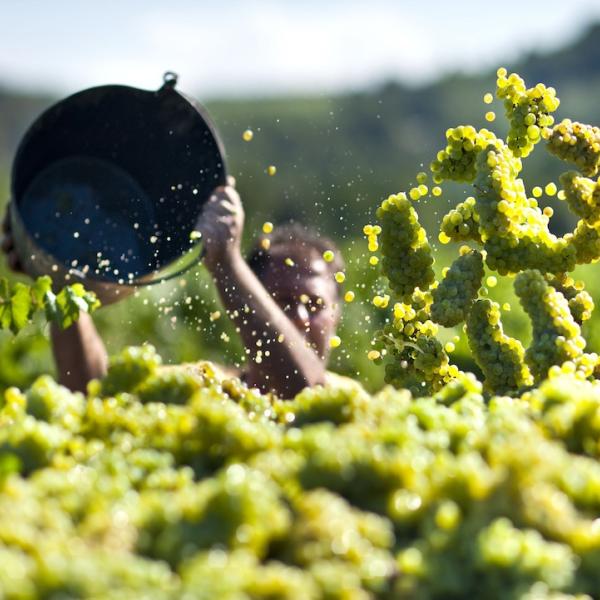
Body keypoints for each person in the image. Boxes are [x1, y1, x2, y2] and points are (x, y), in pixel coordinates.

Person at [1, 179, 350, 398]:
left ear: (337, 316)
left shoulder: (355, 404)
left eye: (315, 304)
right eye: (281, 301)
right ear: (252, 304)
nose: (300, 317)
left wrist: (227, 263)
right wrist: (59, 281)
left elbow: (307, 396)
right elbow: (92, 396)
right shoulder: (202, 389)